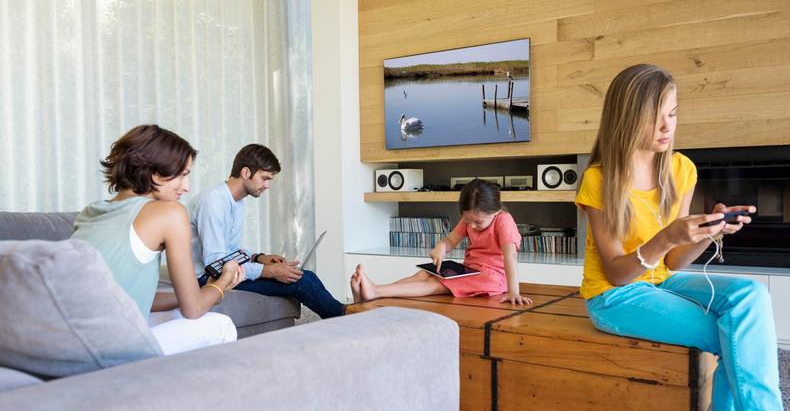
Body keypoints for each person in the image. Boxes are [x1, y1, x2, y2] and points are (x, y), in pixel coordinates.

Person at [575, 64, 783, 410]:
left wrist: (707, 233)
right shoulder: (600, 180)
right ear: (626, 118)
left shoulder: (681, 170)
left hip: (661, 283)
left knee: (750, 295)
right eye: (655, 117)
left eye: (673, 114)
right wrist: (667, 236)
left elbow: (673, 261)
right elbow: (616, 273)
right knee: (734, 335)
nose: (667, 126)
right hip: (613, 297)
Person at [72, 124, 246, 355]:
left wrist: (191, 295)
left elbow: (132, 297)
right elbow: (193, 310)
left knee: (175, 316)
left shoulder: (91, 213)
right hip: (107, 348)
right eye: (182, 175)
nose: (186, 187)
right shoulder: (169, 212)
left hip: (73, 339)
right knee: (220, 325)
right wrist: (222, 283)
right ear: (155, 173)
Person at [189, 144, 344, 319]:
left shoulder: (236, 201)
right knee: (302, 282)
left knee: (307, 276)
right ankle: (347, 318)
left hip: (227, 272)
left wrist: (260, 258)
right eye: (264, 178)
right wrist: (270, 271)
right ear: (246, 173)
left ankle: (343, 314)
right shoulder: (213, 202)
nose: (268, 185)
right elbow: (215, 264)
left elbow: (230, 248)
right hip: (206, 279)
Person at [352, 179, 533, 306]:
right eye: (467, 220)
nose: (471, 226)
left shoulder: (503, 221)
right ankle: (375, 290)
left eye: (478, 222)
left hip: (492, 278)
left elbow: (510, 257)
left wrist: (513, 292)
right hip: (470, 269)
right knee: (423, 275)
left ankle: (375, 292)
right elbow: (450, 240)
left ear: (495, 211)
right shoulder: (471, 218)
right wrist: (441, 247)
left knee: (437, 285)